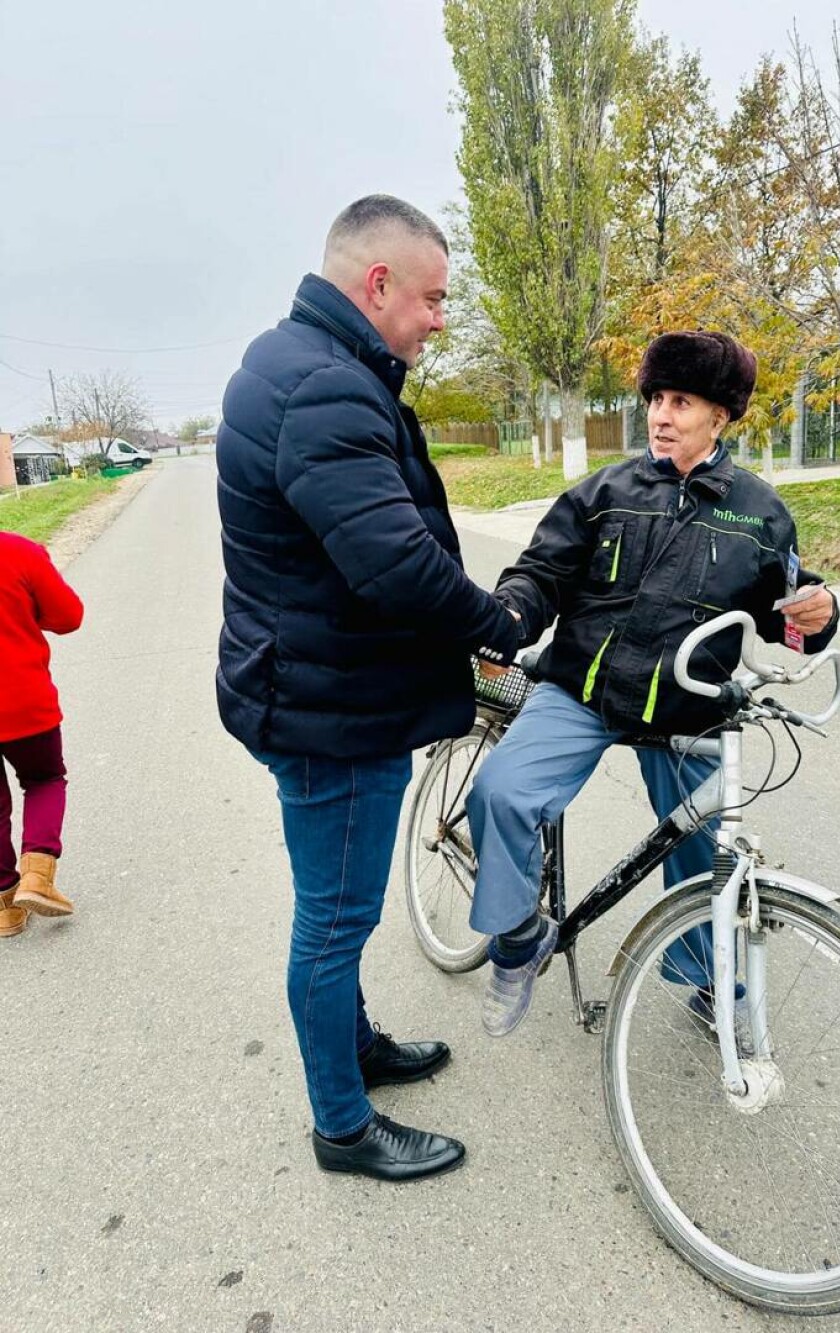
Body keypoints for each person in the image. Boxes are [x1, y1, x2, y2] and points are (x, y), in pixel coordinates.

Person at [215, 196, 520, 1182]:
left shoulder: (295, 360)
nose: (439, 318)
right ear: (375, 283)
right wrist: (495, 625)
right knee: (336, 917)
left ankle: (354, 1048)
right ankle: (342, 1125)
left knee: (329, 904)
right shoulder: (329, 391)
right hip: (326, 709)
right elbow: (391, 563)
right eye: (432, 298)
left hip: (302, 682)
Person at [467, 330, 838, 1036]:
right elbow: (540, 572)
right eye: (655, 400)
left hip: (685, 708)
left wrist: (818, 614)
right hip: (584, 691)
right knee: (502, 792)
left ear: (720, 417)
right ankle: (518, 939)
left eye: (681, 401)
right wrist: (512, 611)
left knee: (705, 840)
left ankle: (702, 978)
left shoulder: (761, 514)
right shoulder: (604, 490)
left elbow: (790, 616)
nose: (661, 416)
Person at [0, 532, 85, 938]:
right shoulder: (17, 552)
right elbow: (68, 616)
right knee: (44, 779)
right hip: (22, 701)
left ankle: (5, 907)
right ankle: (37, 875)